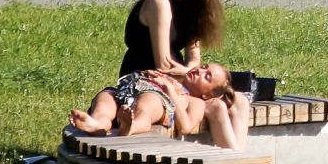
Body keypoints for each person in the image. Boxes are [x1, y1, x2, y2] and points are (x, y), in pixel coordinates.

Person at [71, 62, 248, 148]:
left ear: (207, 94)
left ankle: (130, 126)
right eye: (203, 67)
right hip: (126, 90)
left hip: (158, 97)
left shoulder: (196, 102)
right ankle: (97, 124)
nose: (199, 71)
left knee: (146, 107)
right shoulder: (172, 76)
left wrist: (170, 91)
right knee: (105, 102)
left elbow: (185, 126)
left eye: (206, 76)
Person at [120, 0, 223, 78]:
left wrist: (188, 70)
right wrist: (187, 76)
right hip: (145, 75)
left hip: (176, 73)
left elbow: (194, 57)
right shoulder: (159, 2)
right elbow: (162, 65)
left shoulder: (191, 4)